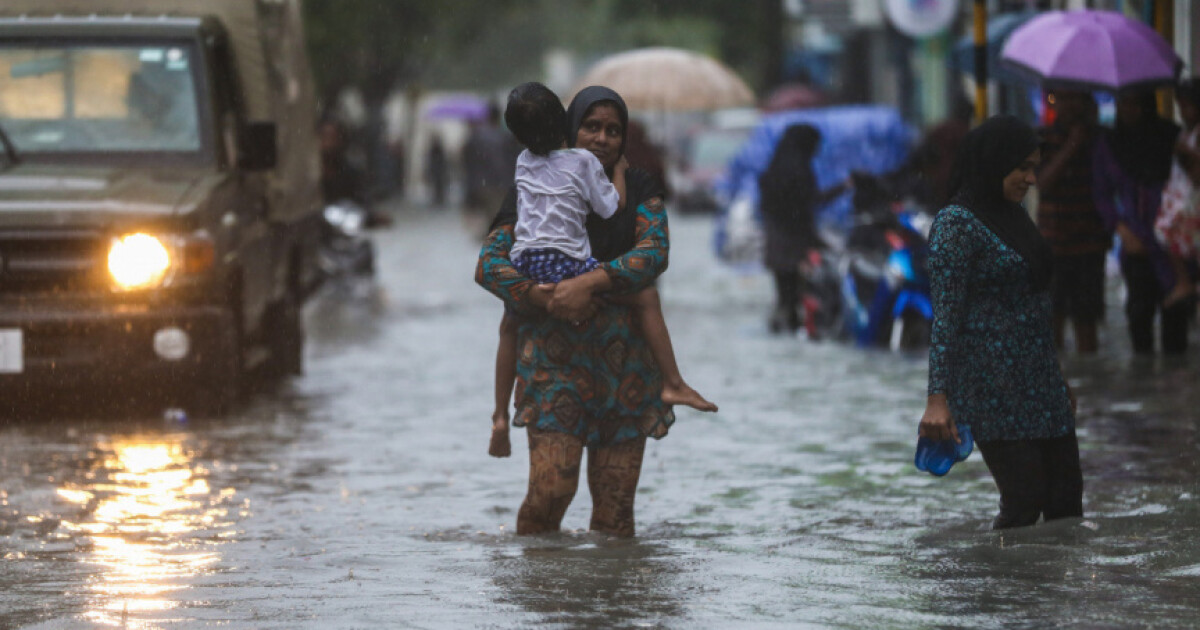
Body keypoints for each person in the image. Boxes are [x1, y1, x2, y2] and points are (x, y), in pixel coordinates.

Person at [477, 86, 694, 536]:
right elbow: (489, 265)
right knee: (550, 492)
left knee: (615, 514)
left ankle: (609, 585)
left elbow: (654, 252)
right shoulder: (533, 184)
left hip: (625, 370)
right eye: (591, 127)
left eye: (614, 130)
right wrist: (543, 297)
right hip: (553, 366)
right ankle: (534, 576)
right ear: (569, 129)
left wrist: (592, 282)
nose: (602, 138)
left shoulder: (640, 188)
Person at [919, 115, 1082, 530]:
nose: (1032, 178)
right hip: (992, 389)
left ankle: (1057, 575)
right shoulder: (956, 224)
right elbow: (945, 317)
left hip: (1041, 383)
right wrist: (937, 398)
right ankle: (1001, 572)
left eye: (1034, 167)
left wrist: (1058, 376)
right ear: (994, 162)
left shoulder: (1014, 214)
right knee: (1024, 500)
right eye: (1022, 167)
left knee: (1066, 501)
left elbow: (1034, 304)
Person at [1092, 89, 1188, 355]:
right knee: (1139, 317)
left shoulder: (1170, 136)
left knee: (1176, 324)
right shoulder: (1110, 143)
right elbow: (1101, 193)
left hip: (1173, 244)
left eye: (1136, 103)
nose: (1129, 110)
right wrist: (1122, 230)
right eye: (1124, 103)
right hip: (1135, 241)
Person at [1036, 90, 1110, 354]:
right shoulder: (1042, 138)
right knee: (1052, 320)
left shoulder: (1099, 139)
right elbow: (1042, 183)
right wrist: (1071, 147)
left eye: (1076, 97)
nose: (1071, 105)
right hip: (1053, 245)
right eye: (1065, 98)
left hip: (1090, 244)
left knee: (1086, 320)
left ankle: (1087, 374)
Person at [758, 124, 848, 333]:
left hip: (777, 246)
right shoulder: (800, 170)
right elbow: (811, 201)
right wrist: (843, 187)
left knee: (786, 297)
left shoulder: (773, 170)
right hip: (797, 246)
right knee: (803, 296)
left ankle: (784, 327)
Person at [1155, 78, 1200, 307]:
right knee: (1168, 232)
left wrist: (1185, 155)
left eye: (1187, 106)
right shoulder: (1184, 132)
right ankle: (1184, 282)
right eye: (1180, 106)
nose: (1183, 112)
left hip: (1192, 199)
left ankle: (1184, 282)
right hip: (1181, 195)